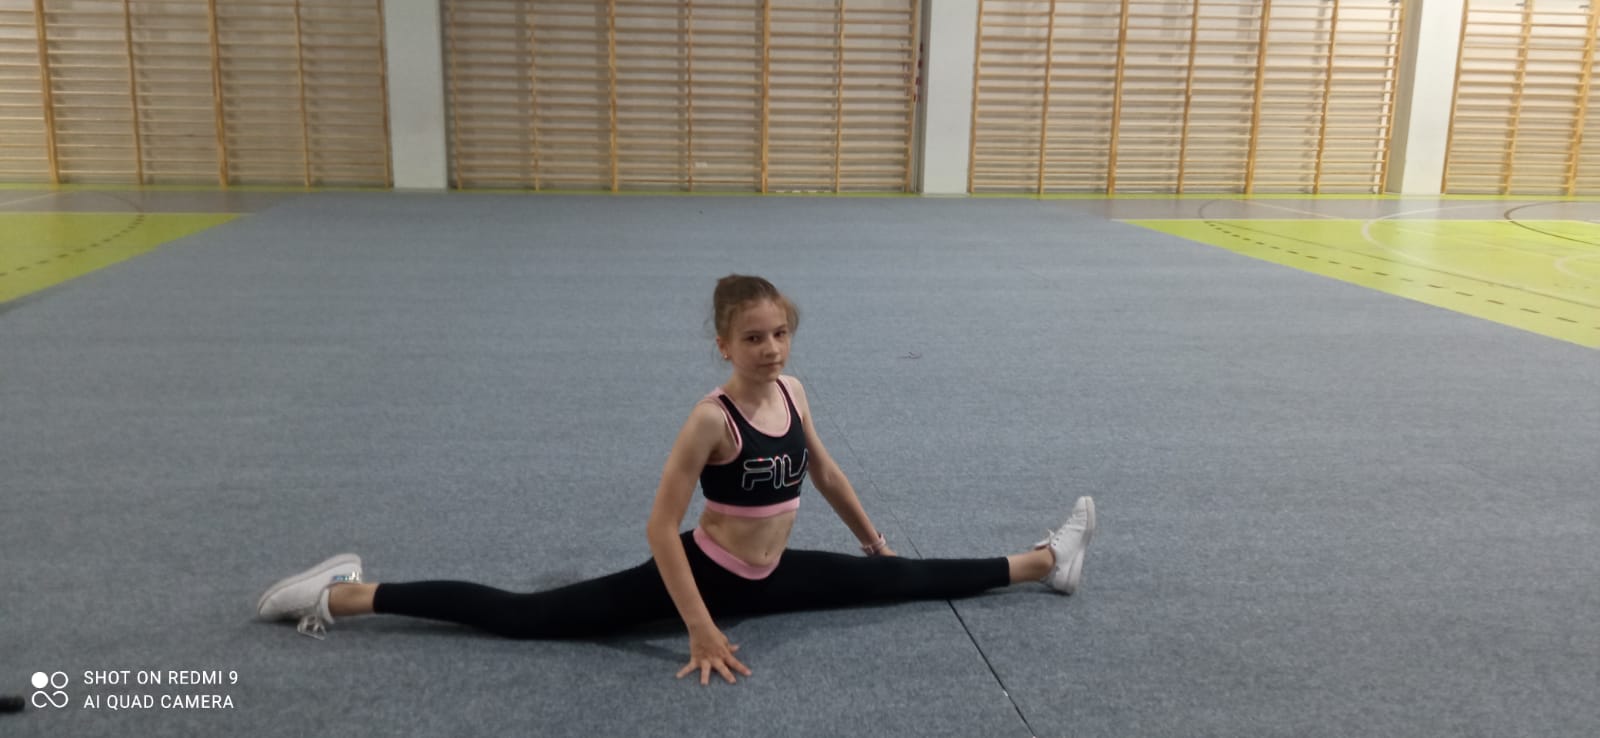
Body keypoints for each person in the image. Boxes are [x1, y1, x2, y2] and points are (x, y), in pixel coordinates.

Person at [257, 274, 1096, 685]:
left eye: (780, 334)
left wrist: (870, 539)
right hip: (702, 575)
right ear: (723, 345)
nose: (770, 349)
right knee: (527, 618)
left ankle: (1044, 563)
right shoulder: (710, 419)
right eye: (753, 338)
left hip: (770, 575)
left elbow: (824, 469)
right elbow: (661, 529)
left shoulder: (796, 392)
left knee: (903, 579)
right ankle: (345, 594)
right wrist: (698, 627)